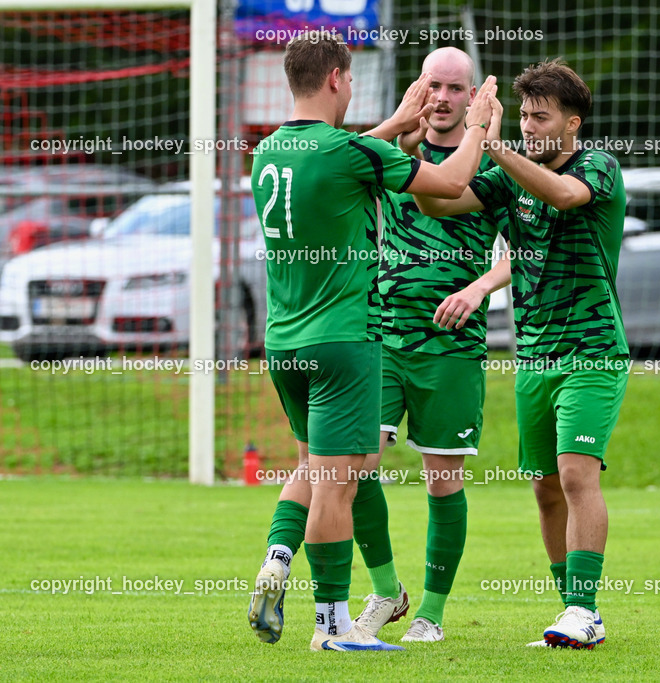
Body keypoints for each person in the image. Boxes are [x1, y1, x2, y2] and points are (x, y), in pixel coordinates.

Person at [246, 30, 496, 652]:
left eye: (454, 88)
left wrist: (393, 126)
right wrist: (479, 130)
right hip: (348, 340)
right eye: (351, 78)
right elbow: (449, 183)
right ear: (336, 79)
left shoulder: (270, 151)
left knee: (319, 467)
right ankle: (333, 626)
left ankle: (279, 555)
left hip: (283, 340)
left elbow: (339, 158)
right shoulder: (353, 152)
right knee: (339, 481)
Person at [416, 58, 629, 649]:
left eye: (542, 118)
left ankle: (585, 610)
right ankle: (571, 611)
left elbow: (562, 195)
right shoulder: (509, 177)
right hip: (533, 356)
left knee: (576, 472)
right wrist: (416, 138)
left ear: (572, 123)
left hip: (592, 351)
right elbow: (440, 202)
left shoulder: (597, 166)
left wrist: (493, 143)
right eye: (525, 116)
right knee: (544, 488)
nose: (531, 127)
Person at [346, 46, 508, 644]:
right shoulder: (388, 153)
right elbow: (335, 164)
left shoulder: (493, 163)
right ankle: (386, 591)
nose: (441, 98)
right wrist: (395, 126)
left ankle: (431, 615)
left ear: (473, 97)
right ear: (418, 88)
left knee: (443, 480)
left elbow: (529, 247)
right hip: (382, 337)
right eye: (432, 85)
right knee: (355, 466)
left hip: (451, 348)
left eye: (454, 88)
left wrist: (479, 285)